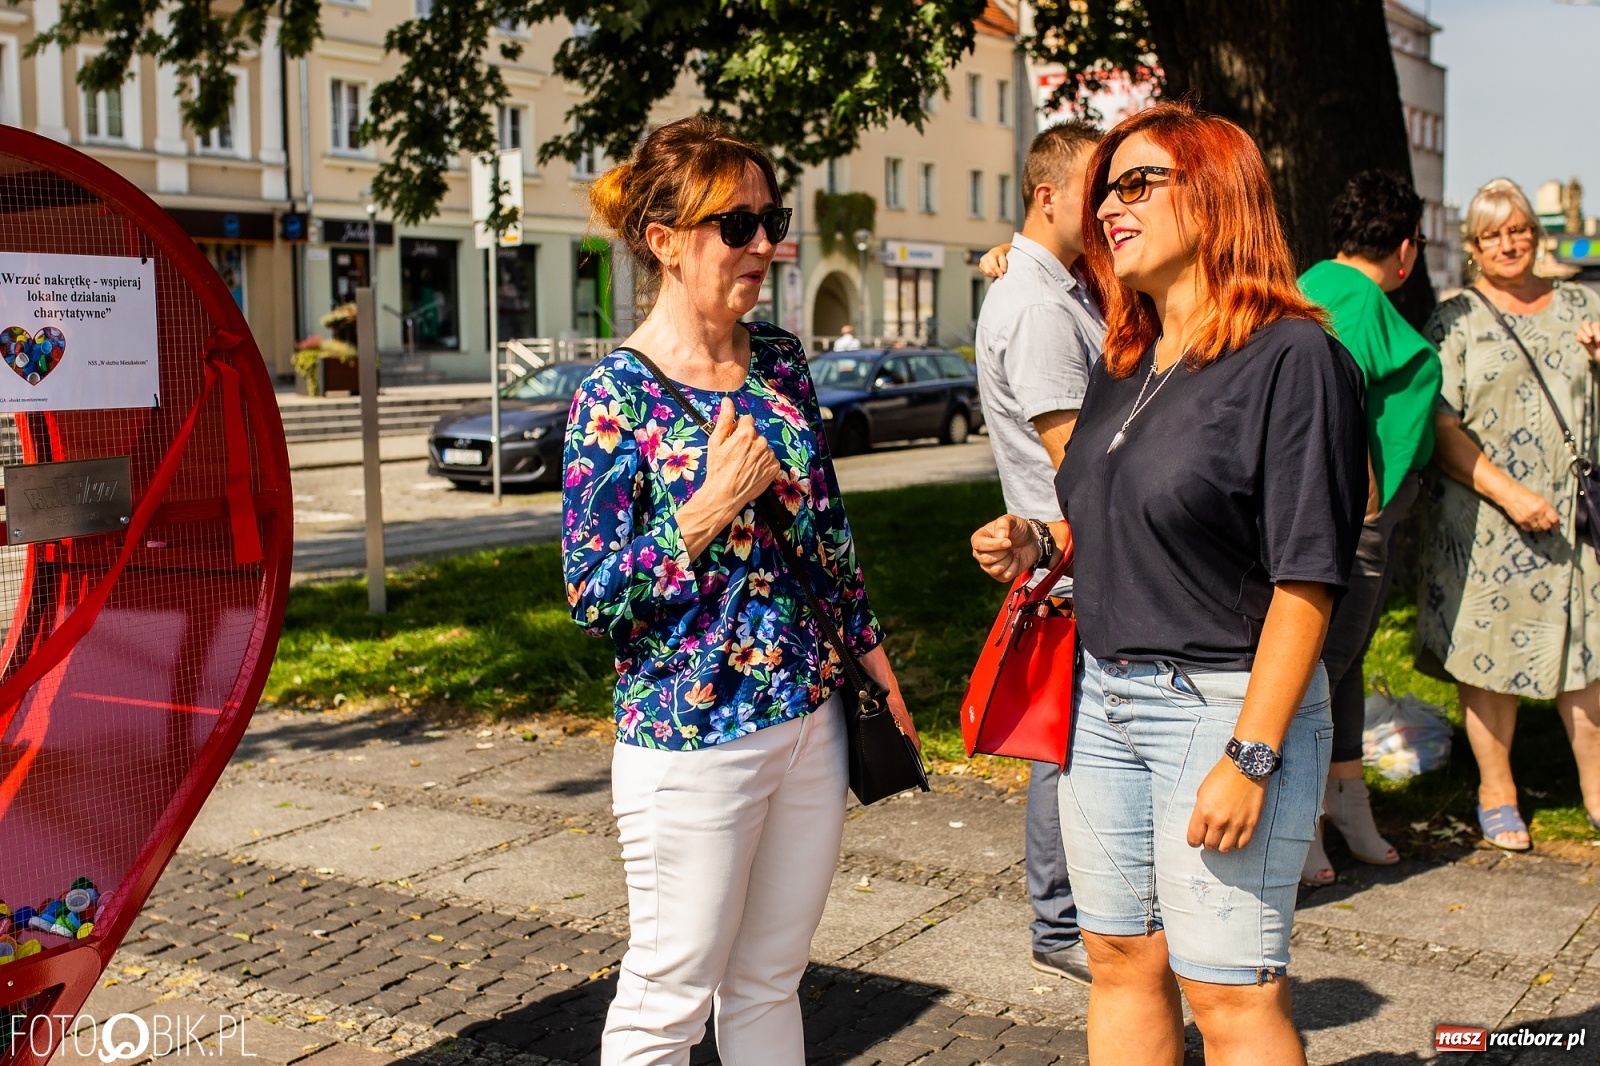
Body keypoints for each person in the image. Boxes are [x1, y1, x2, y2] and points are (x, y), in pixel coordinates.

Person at [971, 102, 1364, 1065]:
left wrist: (1254, 754)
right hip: (1100, 698)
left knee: (1227, 994)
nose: (1110, 203)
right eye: (1105, 186)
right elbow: (1133, 515)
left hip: (1221, 706)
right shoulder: (1128, 356)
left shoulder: (1293, 357)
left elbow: (1308, 577)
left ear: (1219, 193)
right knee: (1116, 956)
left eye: (1139, 181)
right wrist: (1041, 541)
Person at [562, 115, 916, 1065]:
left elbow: (830, 540)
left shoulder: (784, 363)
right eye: (738, 226)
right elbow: (593, 593)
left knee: (771, 979)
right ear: (666, 242)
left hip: (810, 714)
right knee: (667, 999)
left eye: (773, 219)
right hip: (691, 734)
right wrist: (706, 508)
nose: (766, 244)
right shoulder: (615, 395)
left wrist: (880, 675)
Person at [1416, 178, 1600, 851]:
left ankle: (1596, 790)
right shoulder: (1456, 317)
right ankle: (1497, 791)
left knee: (1588, 656)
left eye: (1519, 229)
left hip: (1576, 516)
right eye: (1494, 234)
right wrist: (1509, 494)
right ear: (1473, 247)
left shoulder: (1584, 304)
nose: (1510, 243)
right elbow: (1439, 422)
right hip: (1488, 520)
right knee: (1489, 661)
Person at [971, 121, 1104, 985]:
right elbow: (1078, 459)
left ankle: (1070, 914)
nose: (1116, 208)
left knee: (1077, 739)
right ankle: (1061, 924)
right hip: (1068, 550)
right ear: (1049, 195)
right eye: (1102, 191)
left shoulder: (1059, 285)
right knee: (1068, 743)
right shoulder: (1038, 306)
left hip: (1068, 546)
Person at [1295, 170, 1442, 885]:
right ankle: (1302, 826)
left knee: (1340, 663)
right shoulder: (1352, 296)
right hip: (1351, 519)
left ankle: (1344, 806)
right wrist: (1371, 493)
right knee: (1318, 667)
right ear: (1406, 249)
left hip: (1344, 514)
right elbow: (1335, 386)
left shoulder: (1318, 281)